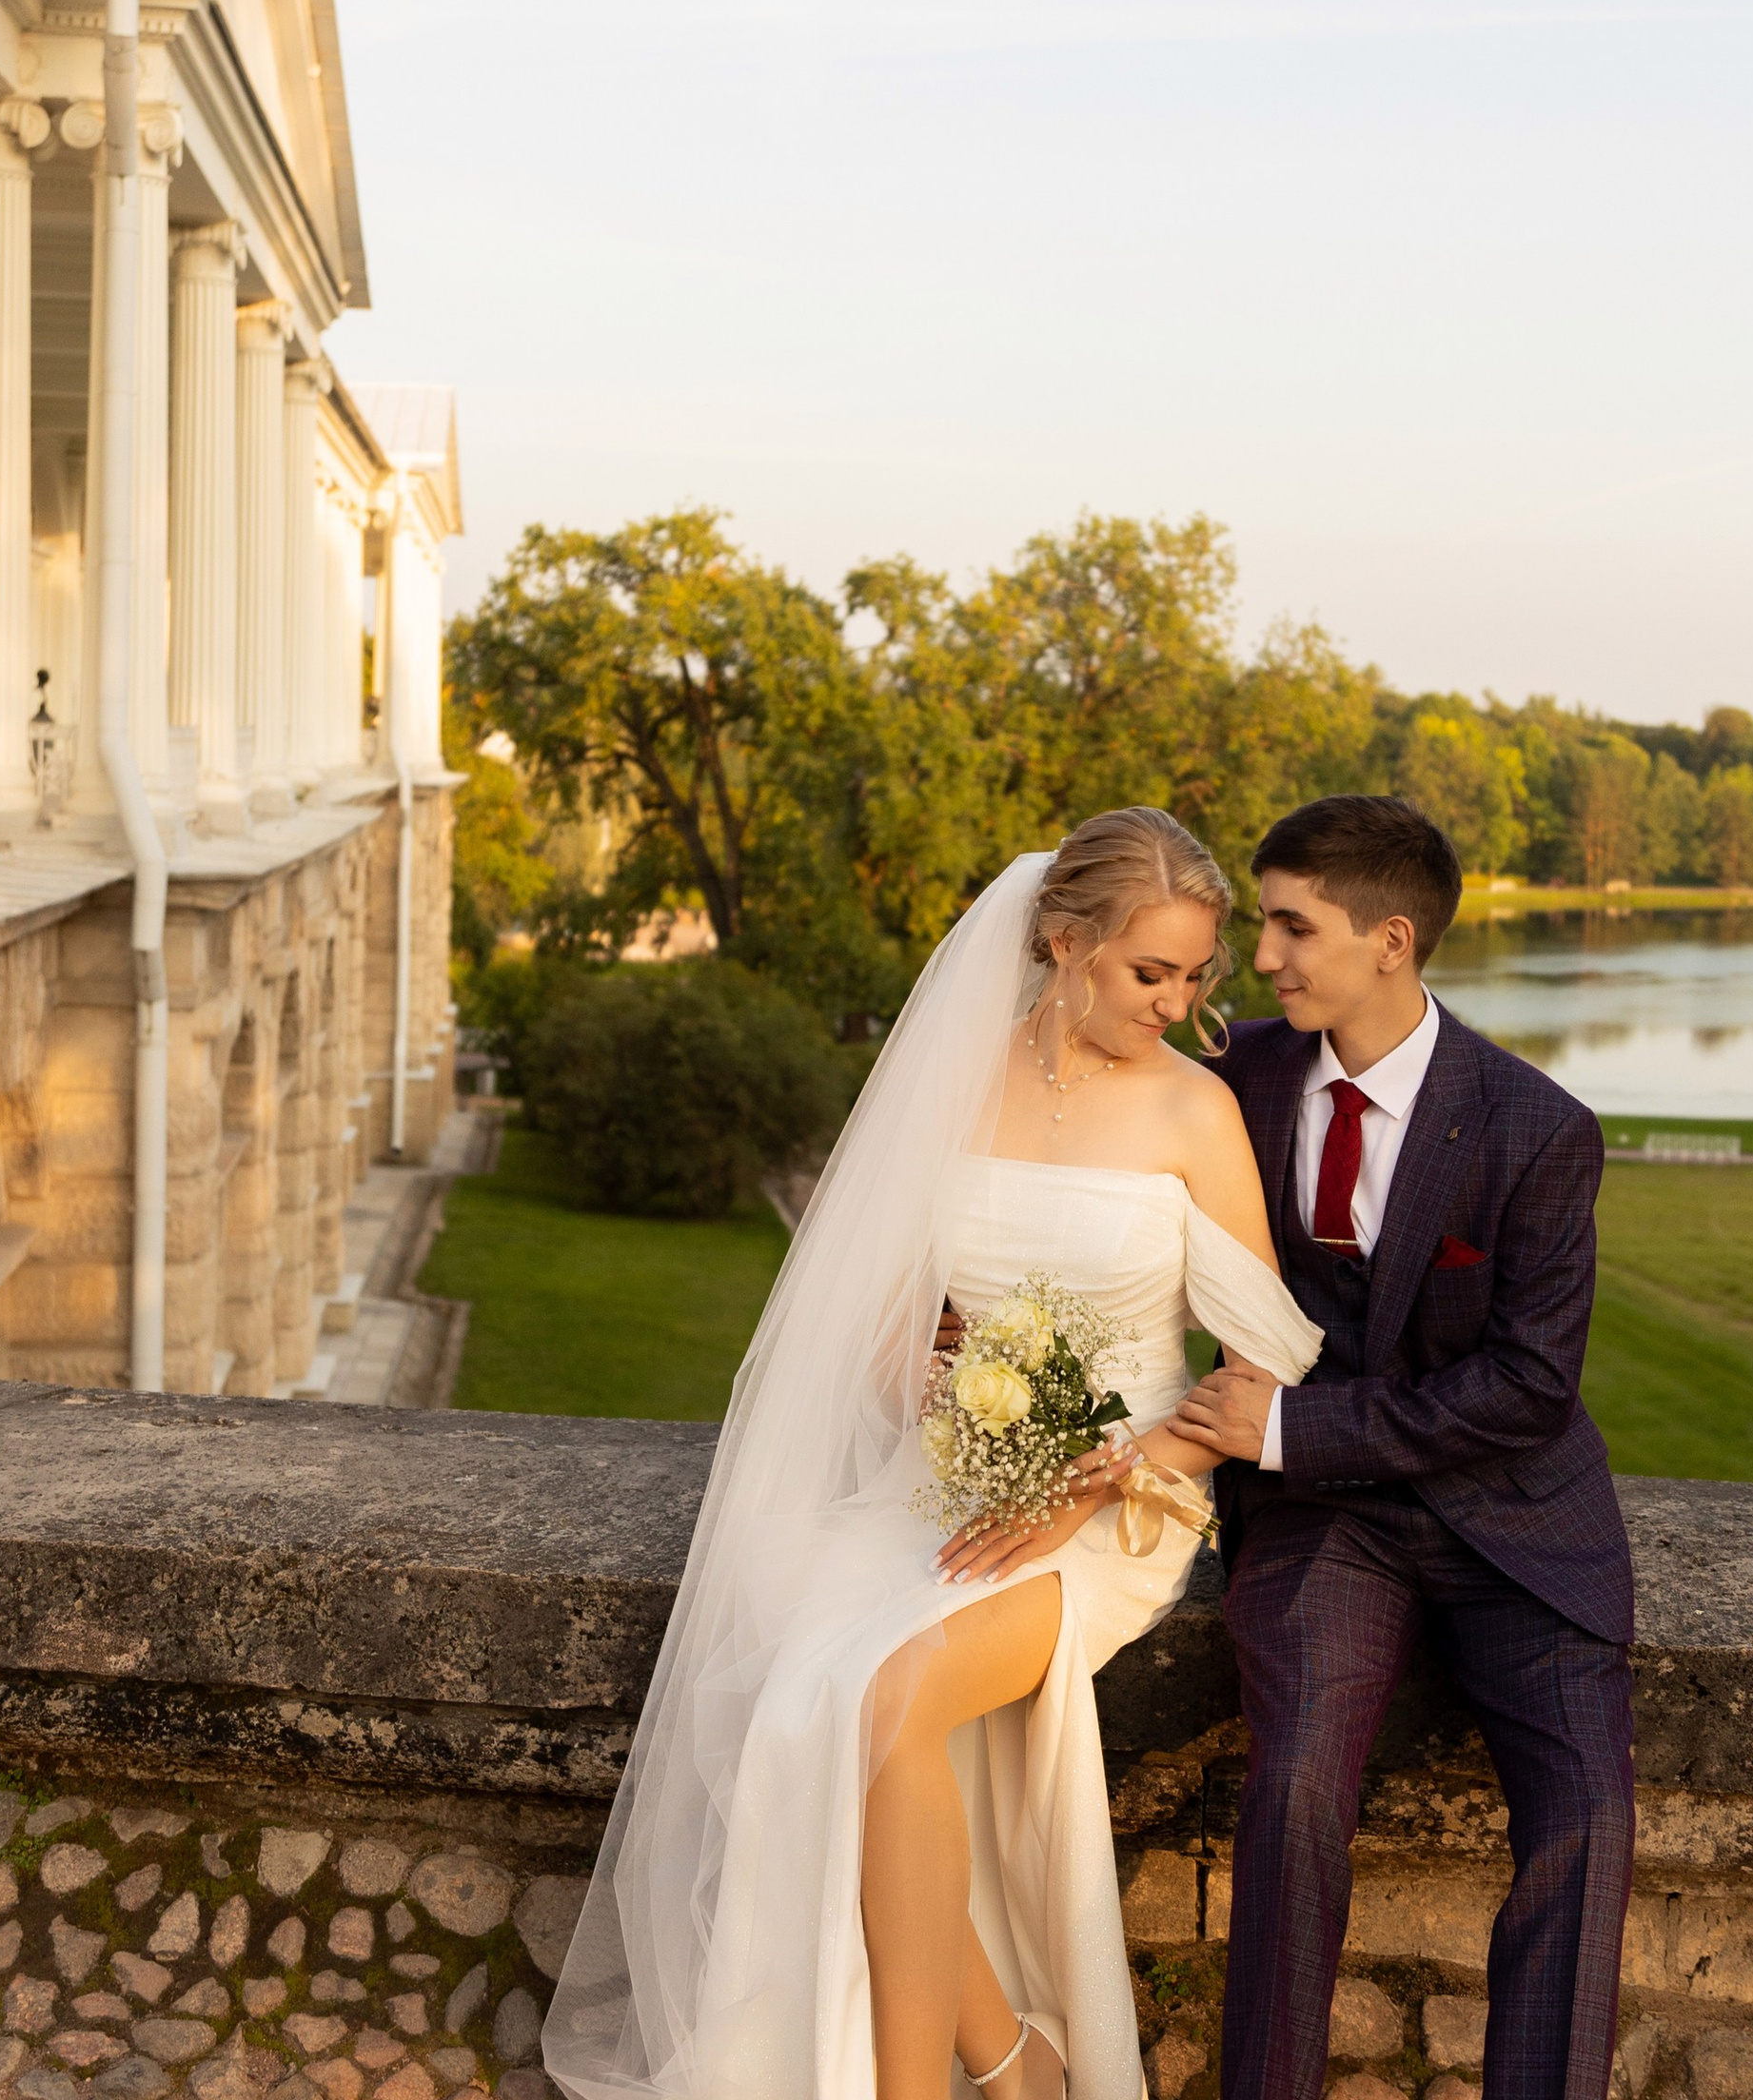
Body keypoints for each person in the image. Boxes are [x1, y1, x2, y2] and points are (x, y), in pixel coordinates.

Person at [544, 808, 1323, 2100]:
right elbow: (882, 1312)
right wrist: (947, 1396)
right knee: (796, 1692)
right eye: (1151, 973)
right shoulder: (951, 1077)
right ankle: (1011, 2061)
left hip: (1124, 1509)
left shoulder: (1196, 1110)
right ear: (1064, 944)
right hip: (947, 1478)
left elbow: (1264, 1370)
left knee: (887, 1696)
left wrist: (1102, 1474)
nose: (1178, 1003)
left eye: (1197, 975)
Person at [1177, 794, 1636, 2100]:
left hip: (1516, 1524)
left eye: (1288, 926)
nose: (1261, 957)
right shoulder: (1242, 1081)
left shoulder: (1534, 1126)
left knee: (1590, 1818)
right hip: (1332, 1522)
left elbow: (1531, 1388)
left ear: (1391, 939)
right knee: (1298, 1783)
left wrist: (1289, 1425)